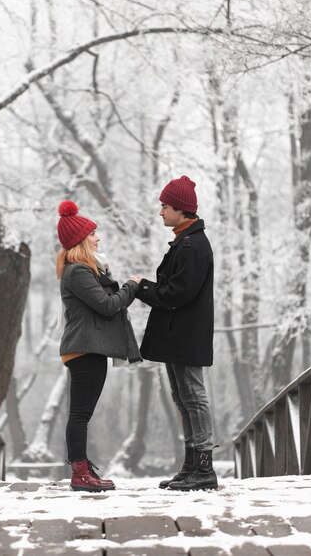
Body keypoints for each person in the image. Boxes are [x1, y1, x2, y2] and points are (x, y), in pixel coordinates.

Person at [135, 175, 218, 491]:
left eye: (165, 206)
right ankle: (190, 466)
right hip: (177, 336)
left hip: (185, 335)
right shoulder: (185, 242)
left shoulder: (193, 246)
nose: (160, 212)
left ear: (181, 210)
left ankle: (204, 468)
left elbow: (176, 294)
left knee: (194, 397)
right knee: (183, 398)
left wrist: (142, 286)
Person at [56, 200, 142, 492]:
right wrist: (131, 286)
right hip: (85, 349)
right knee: (80, 414)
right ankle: (79, 473)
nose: (97, 237)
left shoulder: (83, 269)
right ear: (80, 240)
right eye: (92, 233)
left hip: (88, 348)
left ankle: (81, 470)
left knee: (82, 413)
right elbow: (107, 306)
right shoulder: (78, 271)